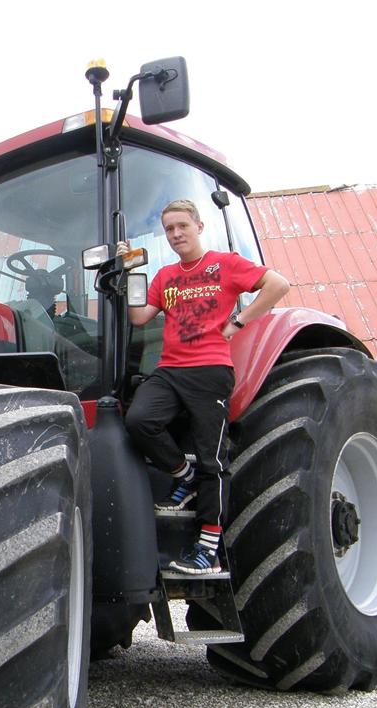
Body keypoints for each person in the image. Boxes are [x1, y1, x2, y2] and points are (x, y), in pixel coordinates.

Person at [119, 198, 290, 575]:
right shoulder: (165, 276)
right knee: (139, 420)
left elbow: (278, 285)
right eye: (169, 229)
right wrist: (130, 268)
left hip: (210, 370)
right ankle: (184, 476)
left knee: (213, 459)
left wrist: (239, 322)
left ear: (198, 226)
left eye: (182, 226)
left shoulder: (224, 265)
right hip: (170, 369)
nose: (176, 234)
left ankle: (208, 551)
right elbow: (139, 317)